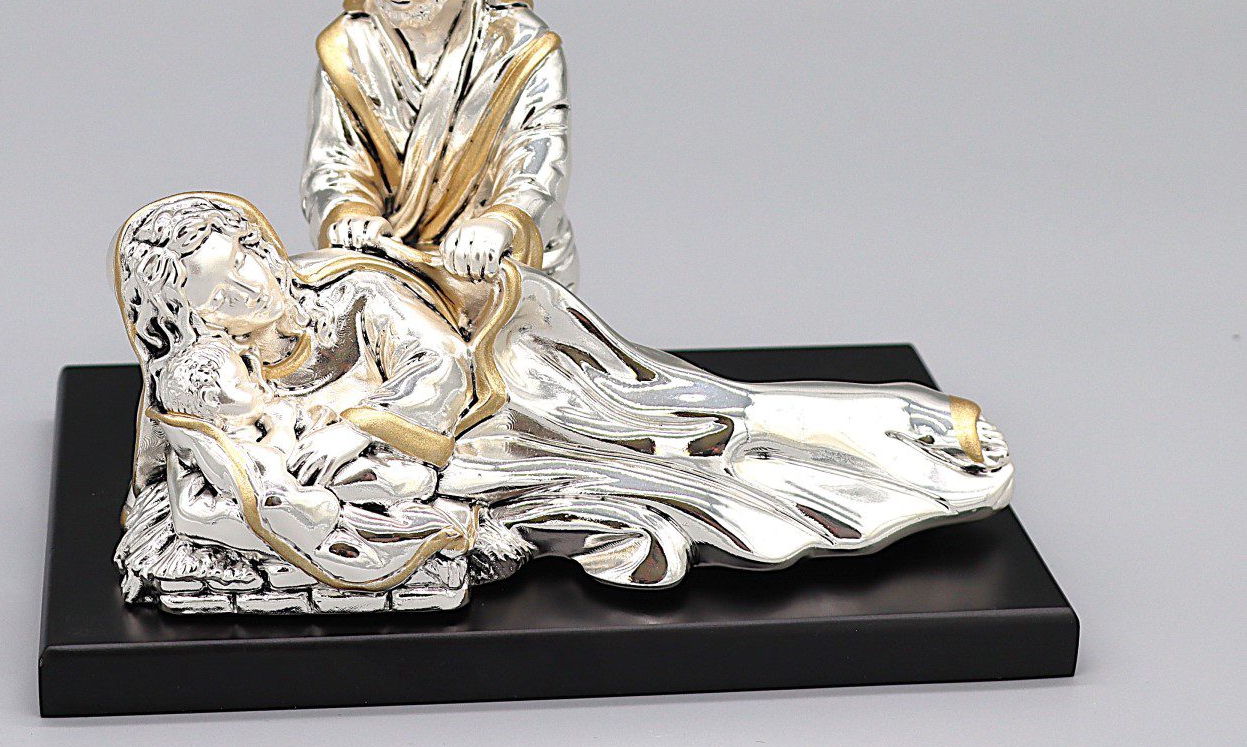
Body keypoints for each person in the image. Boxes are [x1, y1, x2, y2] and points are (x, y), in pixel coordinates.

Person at [114, 192, 1013, 611]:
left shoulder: (351, 290)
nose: (255, 284)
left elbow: (441, 370)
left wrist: (353, 430)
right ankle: (863, 486)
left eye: (250, 256)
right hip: (472, 469)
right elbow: (176, 470)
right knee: (666, 491)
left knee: (705, 425)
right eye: (222, 290)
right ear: (199, 317)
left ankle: (907, 428)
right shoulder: (209, 376)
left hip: (517, 398)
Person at [301, 0, 579, 288]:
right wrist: (349, 214)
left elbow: (538, 153)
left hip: (500, 269)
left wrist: (500, 222)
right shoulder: (347, 48)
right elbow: (334, 161)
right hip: (387, 265)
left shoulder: (521, 46)